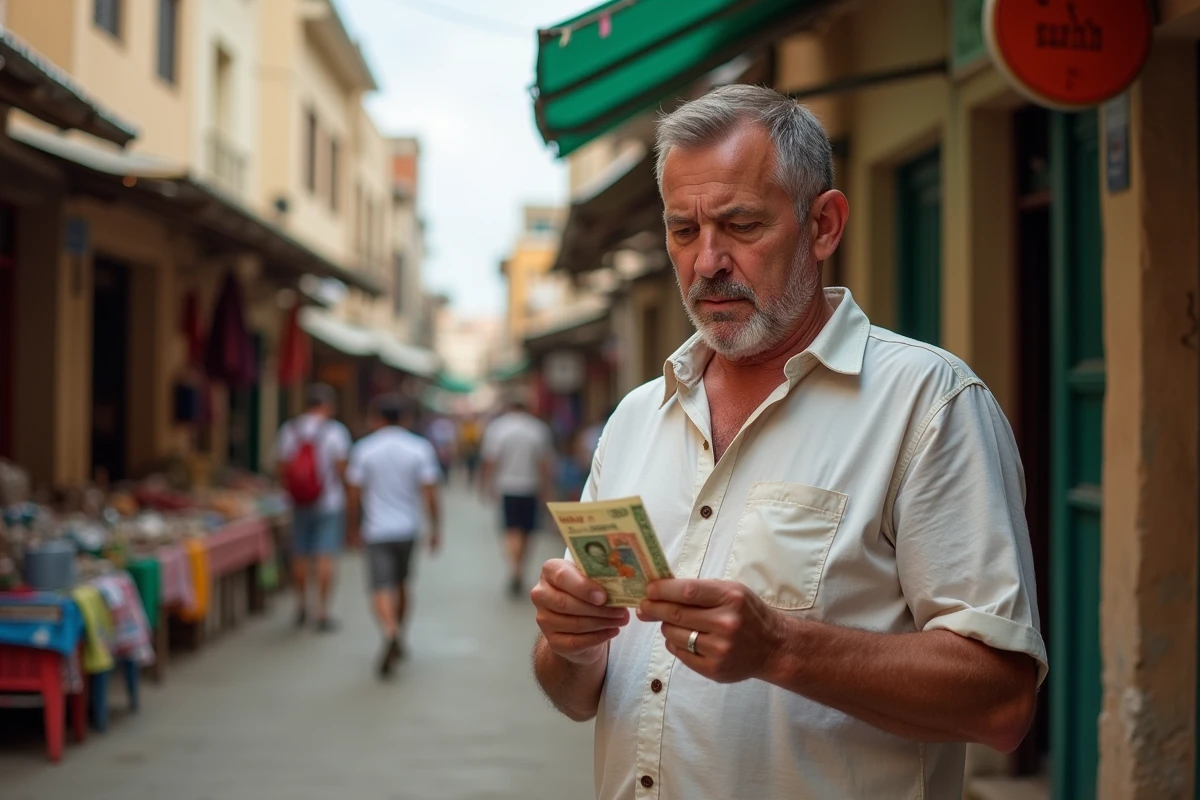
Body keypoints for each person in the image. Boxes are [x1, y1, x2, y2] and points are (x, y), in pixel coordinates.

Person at [529, 85, 1045, 799]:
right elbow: (575, 695)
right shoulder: (635, 419)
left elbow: (1001, 703)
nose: (707, 261)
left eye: (741, 225)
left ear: (823, 225)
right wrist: (568, 644)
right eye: (683, 230)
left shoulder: (929, 404)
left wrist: (781, 648)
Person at [345, 394, 441, 678]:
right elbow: (430, 492)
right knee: (402, 583)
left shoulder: (364, 448)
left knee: (379, 586)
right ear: (405, 419)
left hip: (376, 529)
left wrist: (352, 527)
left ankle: (389, 630)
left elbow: (353, 494)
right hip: (407, 528)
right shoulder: (419, 448)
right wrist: (436, 528)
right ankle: (400, 633)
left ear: (376, 418)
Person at [277, 383, 351, 632]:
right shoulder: (335, 431)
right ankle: (322, 611)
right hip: (329, 502)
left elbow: (282, 467)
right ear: (328, 405)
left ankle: (301, 606)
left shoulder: (290, 429)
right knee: (325, 555)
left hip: (298, 502)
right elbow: (342, 469)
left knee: (300, 553)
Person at [481, 390, 553, 598]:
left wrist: (486, 485)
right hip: (531, 486)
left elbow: (491, 460)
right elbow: (544, 462)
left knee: (511, 530)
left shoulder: (498, 428)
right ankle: (520, 567)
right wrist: (546, 488)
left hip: (507, 487)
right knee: (527, 532)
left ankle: (515, 569)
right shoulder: (538, 429)